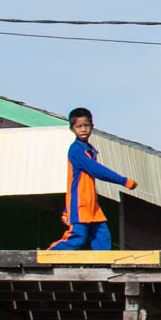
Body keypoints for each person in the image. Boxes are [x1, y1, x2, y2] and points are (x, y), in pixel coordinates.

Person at [47, 107, 138, 250]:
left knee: (102, 238)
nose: (83, 129)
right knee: (77, 238)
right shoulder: (76, 149)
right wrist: (123, 181)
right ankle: (46, 256)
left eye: (86, 126)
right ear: (72, 129)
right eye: (79, 126)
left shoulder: (88, 149)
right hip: (80, 205)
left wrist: (66, 209)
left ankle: (104, 270)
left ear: (92, 127)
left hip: (92, 204)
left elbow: (77, 181)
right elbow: (96, 170)